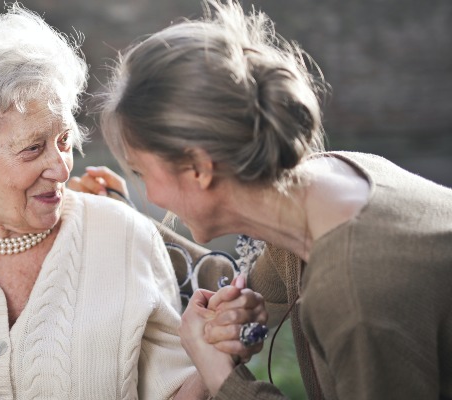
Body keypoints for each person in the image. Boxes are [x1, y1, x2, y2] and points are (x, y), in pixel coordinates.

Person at [0, 4, 257, 399]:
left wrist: (210, 359)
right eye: (33, 148)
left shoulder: (125, 237)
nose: (60, 168)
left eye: (63, 140)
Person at [93, 0, 452, 398]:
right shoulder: (329, 182)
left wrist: (220, 375)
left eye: (143, 173)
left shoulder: (355, 296)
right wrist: (118, 216)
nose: (151, 194)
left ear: (198, 168)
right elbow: (239, 285)